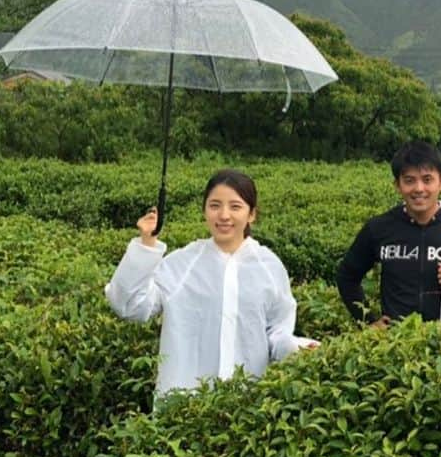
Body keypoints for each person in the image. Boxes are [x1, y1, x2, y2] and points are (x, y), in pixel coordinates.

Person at [105, 169, 318, 399]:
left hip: (247, 408)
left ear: (251, 214)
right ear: (205, 210)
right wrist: (147, 244)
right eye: (215, 205)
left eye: (235, 207)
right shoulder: (182, 264)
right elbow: (130, 306)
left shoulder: (269, 267)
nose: (224, 215)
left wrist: (298, 348)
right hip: (183, 408)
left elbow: (277, 333)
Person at [336, 140, 441, 327]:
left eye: (427, 179)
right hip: (396, 344)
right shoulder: (379, 228)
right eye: (409, 180)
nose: (419, 189)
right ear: (397, 185)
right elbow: (347, 276)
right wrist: (368, 320)